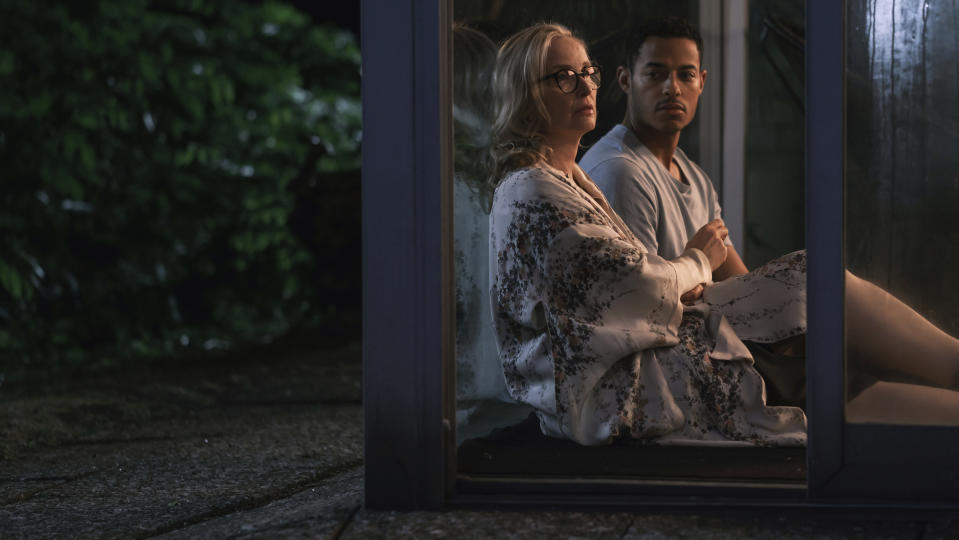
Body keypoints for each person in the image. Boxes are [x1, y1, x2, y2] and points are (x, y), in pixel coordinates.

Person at [488, 22, 959, 447]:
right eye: (563, 77)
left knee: (820, 300)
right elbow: (638, 289)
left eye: (585, 72)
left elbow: (725, 276)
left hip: (688, 343)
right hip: (649, 374)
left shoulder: (594, 179)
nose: (583, 86)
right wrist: (697, 261)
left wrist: (785, 323)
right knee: (832, 364)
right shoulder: (570, 180)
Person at [579, 16, 746, 299]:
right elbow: (643, 303)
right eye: (655, 75)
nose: (673, 88)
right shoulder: (619, 172)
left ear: (702, 82)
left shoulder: (697, 179)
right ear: (625, 79)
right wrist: (698, 262)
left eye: (686, 75)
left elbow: (745, 285)